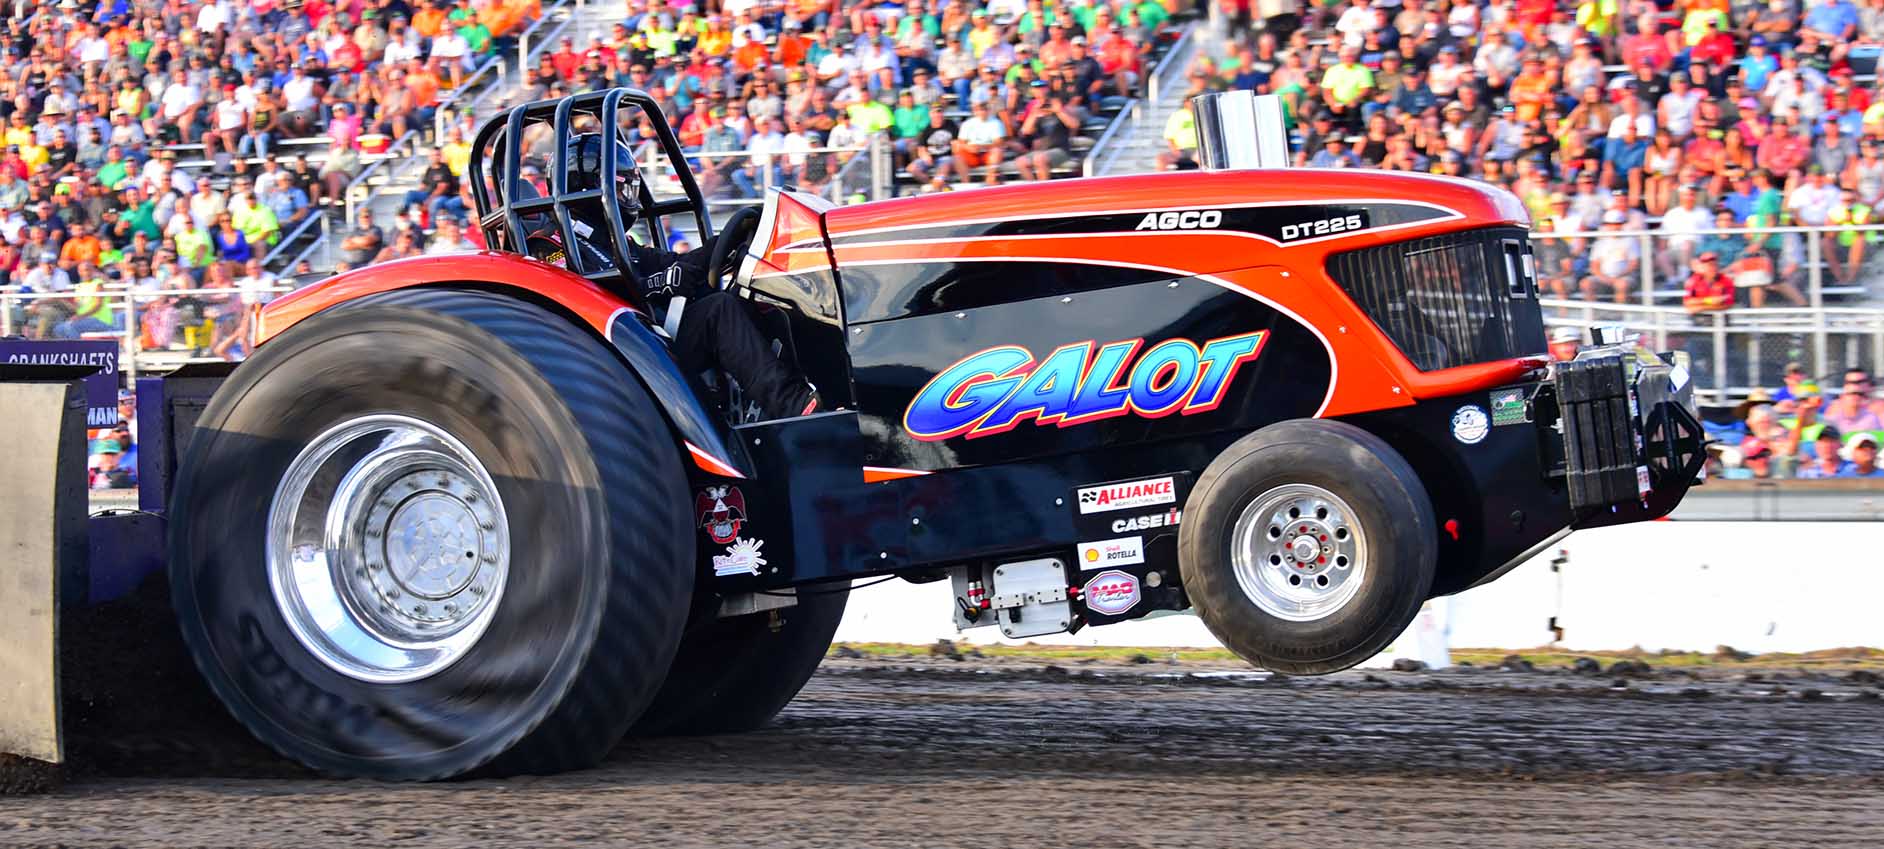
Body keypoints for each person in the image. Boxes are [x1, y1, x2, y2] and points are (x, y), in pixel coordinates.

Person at [523, 133, 818, 420]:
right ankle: (791, 406)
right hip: (619, 359)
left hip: (651, 341)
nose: (628, 195)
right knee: (719, 311)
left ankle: (808, 391)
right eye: (621, 185)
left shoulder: (612, 242)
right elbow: (580, 307)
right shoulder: (550, 245)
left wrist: (736, 238)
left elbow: (676, 263)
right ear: (585, 187)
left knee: (740, 296)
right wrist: (654, 285)